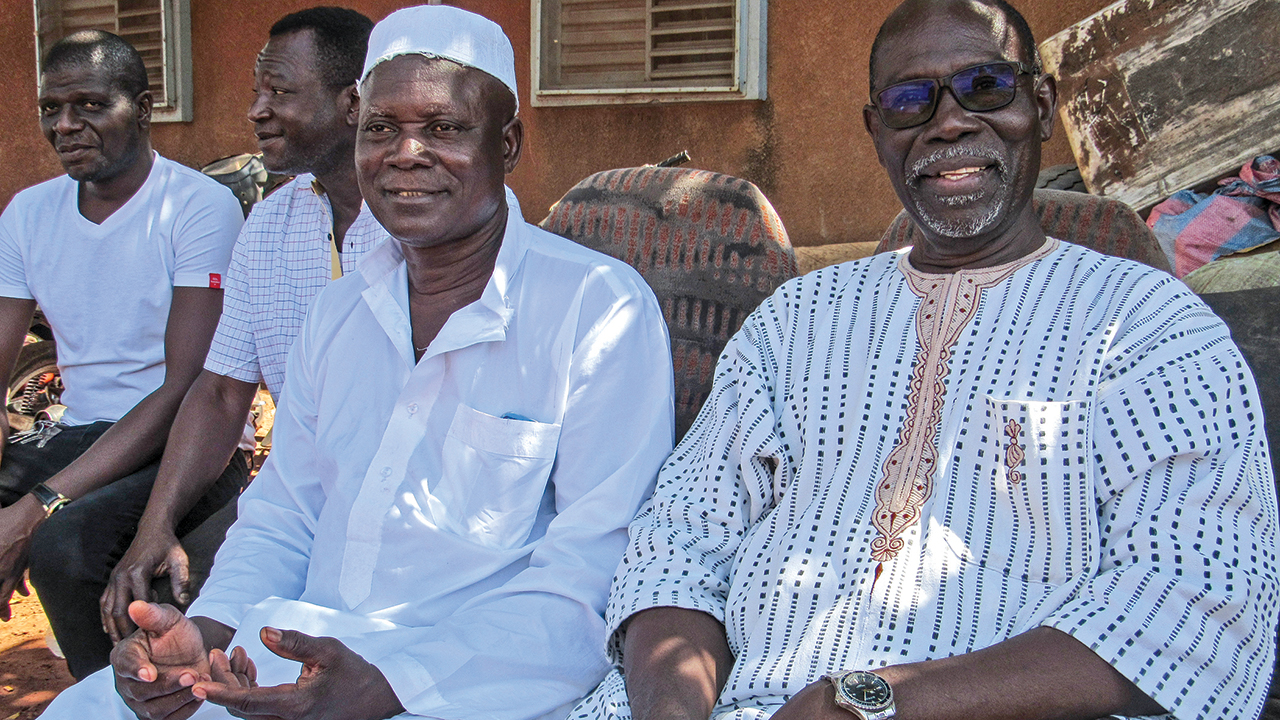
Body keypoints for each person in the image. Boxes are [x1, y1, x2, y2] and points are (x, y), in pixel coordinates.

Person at [572, 1, 1279, 720]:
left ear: (1039, 104)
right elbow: (682, 539)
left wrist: (862, 704)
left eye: (985, 87)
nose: (948, 122)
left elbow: (1196, 604)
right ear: (876, 129)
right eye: (911, 101)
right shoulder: (792, 320)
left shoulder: (1149, 327)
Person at [40, 5, 675, 720]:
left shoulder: (597, 308)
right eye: (380, 128)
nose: (405, 153)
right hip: (302, 656)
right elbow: (284, 513)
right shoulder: (338, 315)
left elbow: (594, 572)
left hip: (475, 679)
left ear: (508, 143)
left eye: (444, 128)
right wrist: (208, 632)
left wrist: (389, 684)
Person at [98, 5, 387, 646]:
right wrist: (156, 524)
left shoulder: (421, 228)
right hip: (295, 498)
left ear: (353, 102)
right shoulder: (269, 225)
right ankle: (141, 694)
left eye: (280, 92)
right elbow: (223, 389)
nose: (257, 110)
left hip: (401, 507)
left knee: (218, 612)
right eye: (258, 91)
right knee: (110, 573)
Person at [0, 30, 245, 680]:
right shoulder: (29, 213)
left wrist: (34, 507)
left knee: (64, 543)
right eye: (52, 109)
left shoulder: (197, 207)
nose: (65, 125)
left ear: (141, 107)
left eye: (88, 105)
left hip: (186, 441)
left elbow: (185, 387)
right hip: (76, 435)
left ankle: (109, 698)